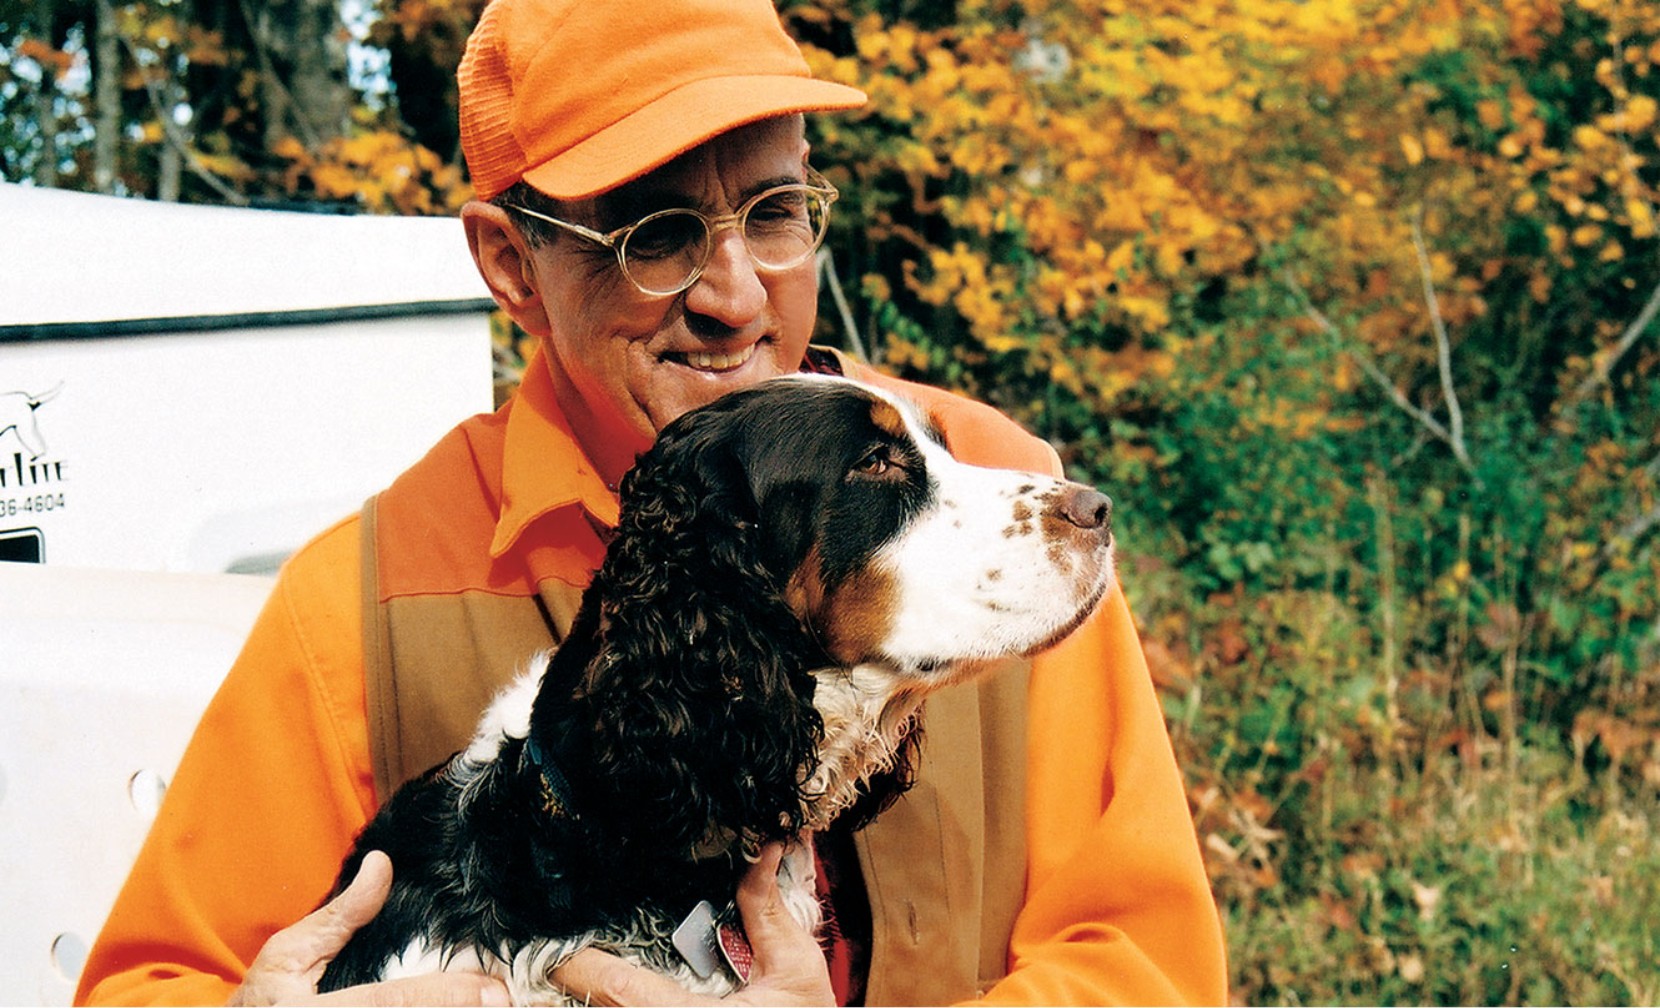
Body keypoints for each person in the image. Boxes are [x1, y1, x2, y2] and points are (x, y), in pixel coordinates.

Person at [74, 0, 1229, 1004]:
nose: (735, 296)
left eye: (774, 213)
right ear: (513, 265)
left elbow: (1150, 966)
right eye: (655, 235)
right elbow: (146, 989)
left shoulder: (998, 498)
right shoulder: (362, 599)